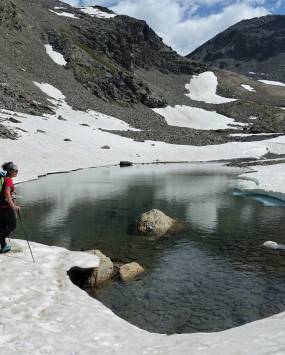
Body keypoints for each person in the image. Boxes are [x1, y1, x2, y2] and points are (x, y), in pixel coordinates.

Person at [0, 162, 20, 253]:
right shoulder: (8, 180)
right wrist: (14, 206)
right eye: (15, 170)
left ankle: (3, 246)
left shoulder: (3, 178)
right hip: (6, 207)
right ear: (10, 171)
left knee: (3, 227)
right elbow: (7, 193)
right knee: (12, 226)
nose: (17, 172)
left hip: (1, 206)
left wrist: (11, 197)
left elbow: (5, 193)